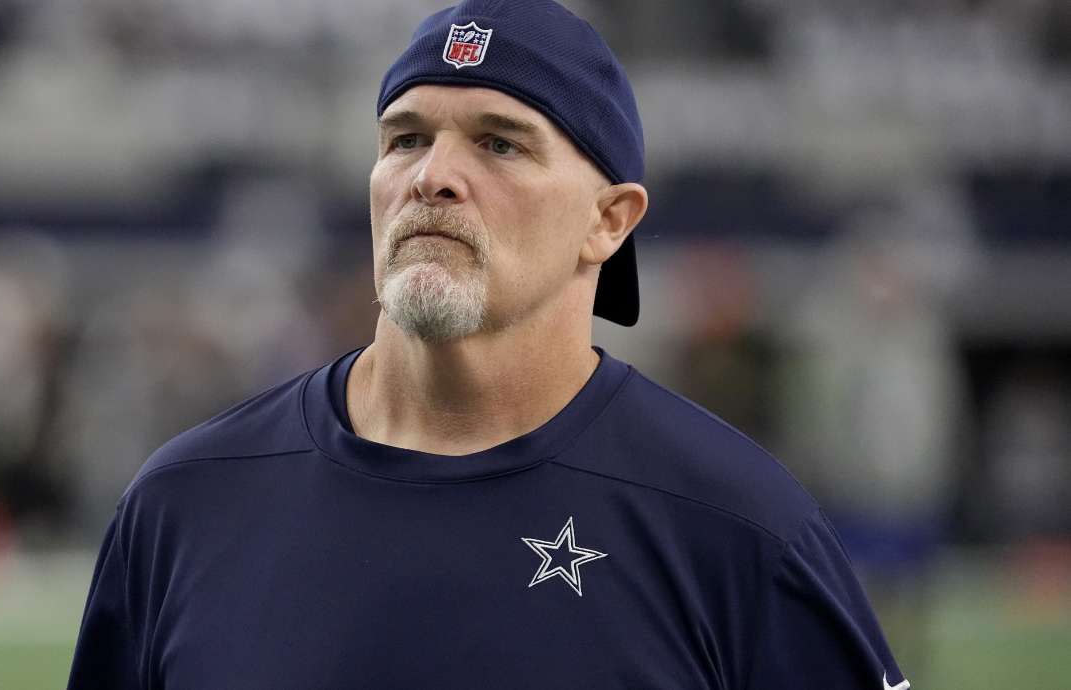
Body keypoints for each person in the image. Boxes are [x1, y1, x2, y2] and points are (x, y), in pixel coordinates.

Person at [67, 1, 908, 688]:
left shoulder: (737, 526)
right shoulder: (185, 503)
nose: (431, 175)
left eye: (499, 142)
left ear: (608, 222)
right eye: (405, 138)